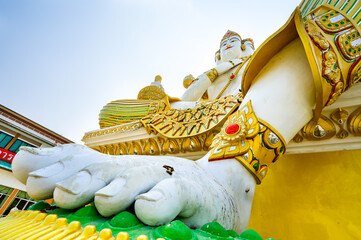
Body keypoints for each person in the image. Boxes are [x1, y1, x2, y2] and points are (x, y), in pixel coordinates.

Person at [11, 5, 360, 234]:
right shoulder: (217, 69)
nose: (228, 48)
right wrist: (215, 72)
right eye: (225, 46)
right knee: (133, 110)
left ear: (247, 47)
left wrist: (227, 169)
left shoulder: (258, 65)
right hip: (197, 113)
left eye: (235, 44)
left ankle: (231, 172)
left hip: (252, 105)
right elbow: (191, 99)